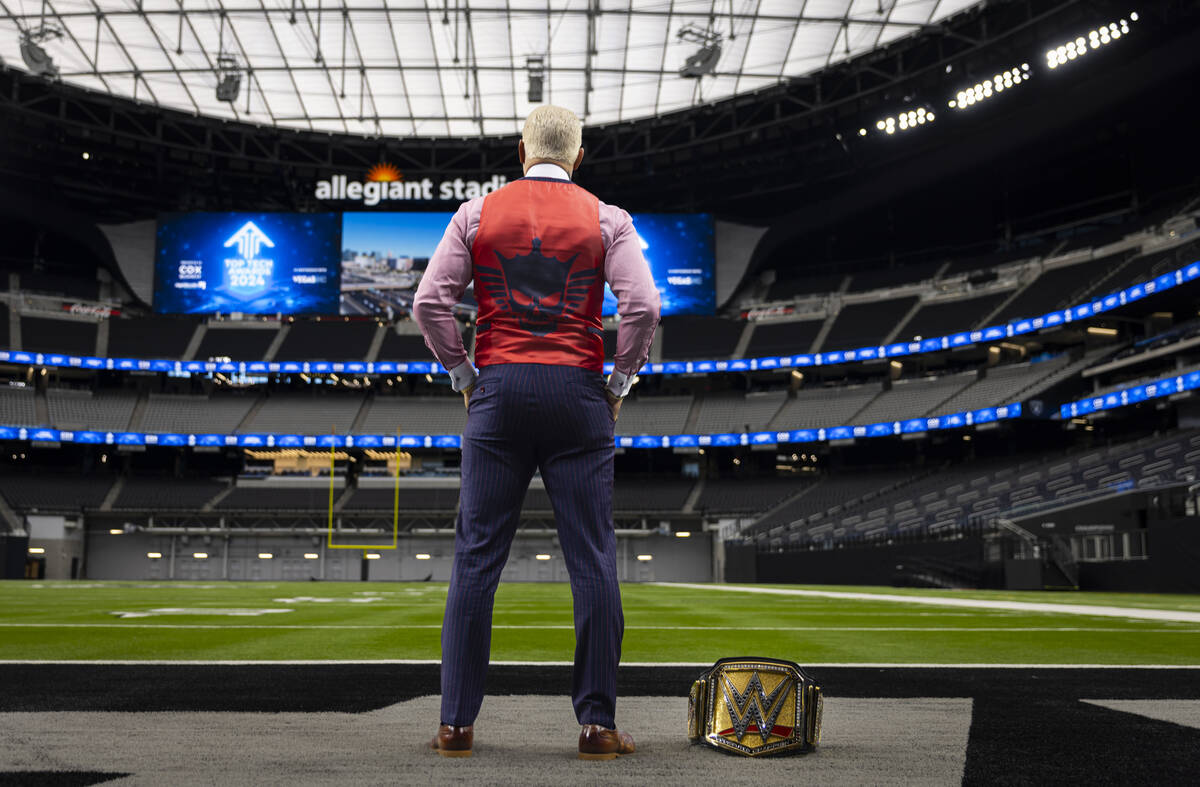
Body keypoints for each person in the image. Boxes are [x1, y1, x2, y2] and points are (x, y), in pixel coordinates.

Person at [413, 104, 660, 760]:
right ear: (578, 158)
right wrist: (618, 386)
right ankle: (597, 725)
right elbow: (643, 306)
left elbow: (429, 303)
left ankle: (456, 724)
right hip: (579, 395)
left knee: (476, 558)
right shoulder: (609, 217)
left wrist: (465, 377)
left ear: (520, 151)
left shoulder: (475, 212)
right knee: (593, 558)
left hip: (497, 393)